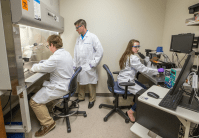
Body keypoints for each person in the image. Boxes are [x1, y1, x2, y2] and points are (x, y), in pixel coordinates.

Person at [29, 35, 73, 137]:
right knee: (43, 85)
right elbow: (50, 63)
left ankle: (48, 123)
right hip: (66, 84)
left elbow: (40, 67)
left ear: (52, 45)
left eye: (48, 45)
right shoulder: (66, 53)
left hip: (60, 87)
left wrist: (32, 67)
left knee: (34, 102)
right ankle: (47, 110)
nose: (48, 48)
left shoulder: (56, 58)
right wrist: (46, 62)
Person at [117, 39, 164, 122]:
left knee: (144, 88)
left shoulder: (126, 55)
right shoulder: (133, 58)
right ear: (130, 47)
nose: (138, 49)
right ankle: (130, 112)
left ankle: (133, 103)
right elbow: (144, 70)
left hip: (124, 79)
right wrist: (158, 71)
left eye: (138, 47)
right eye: (136, 47)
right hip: (126, 82)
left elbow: (136, 68)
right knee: (144, 94)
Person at [73, 19, 103, 109]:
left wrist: (93, 63)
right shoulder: (78, 39)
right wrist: (74, 64)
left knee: (91, 83)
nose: (76, 30)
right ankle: (81, 97)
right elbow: (75, 53)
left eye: (77, 28)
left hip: (89, 66)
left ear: (82, 26)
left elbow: (100, 51)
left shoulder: (92, 37)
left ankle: (92, 100)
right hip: (80, 65)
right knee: (81, 83)